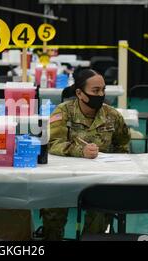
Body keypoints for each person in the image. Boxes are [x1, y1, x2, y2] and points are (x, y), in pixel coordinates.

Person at [40, 69, 131, 240]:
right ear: (79, 93)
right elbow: (52, 143)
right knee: (52, 213)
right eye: (95, 91)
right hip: (65, 178)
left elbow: (123, 145)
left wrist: (117, 166)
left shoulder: (112, 115)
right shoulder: (63, 112)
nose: (101, 94)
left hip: (100, 180)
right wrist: (79, 150)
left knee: (99, 217)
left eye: (103, 90)